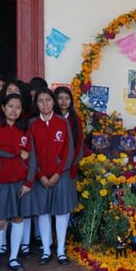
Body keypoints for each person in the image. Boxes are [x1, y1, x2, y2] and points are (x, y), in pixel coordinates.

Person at [0, 93, 32, 271]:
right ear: (3, 107)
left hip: (20, 180)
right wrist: (17, 152)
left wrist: (28, 181)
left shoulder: (23, 128)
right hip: (0, 180)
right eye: (11, 106)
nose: (14, 110)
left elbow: (31, 155)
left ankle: (13, 258)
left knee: (18, 218)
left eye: (18, 107)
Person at [28, 88, 72, 265]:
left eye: (48, 100)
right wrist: (39, 175)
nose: (44, 104)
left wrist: (57, 173)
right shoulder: (32, 124)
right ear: (36, 104)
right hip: (41, 178)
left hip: (59, 176)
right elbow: (30, 153)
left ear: (53, 102)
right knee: (43, 214)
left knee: (61, 213)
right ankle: (46, 250)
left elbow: (68, 150)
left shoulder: (62, 122)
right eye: (40, 100)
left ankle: (60, 249)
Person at [54, 86, 85, 259]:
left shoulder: (75, 119)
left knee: (65, 207)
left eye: (67, 98)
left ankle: (62, 241)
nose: (63, 101)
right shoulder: (52, 118)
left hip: (69, 169)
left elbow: (79, 144)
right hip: (51, 169)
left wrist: (71, 164)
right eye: (60, 98)